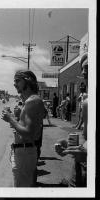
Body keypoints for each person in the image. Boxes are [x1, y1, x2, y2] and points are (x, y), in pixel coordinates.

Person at [1, 69, 45, 187]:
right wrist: (16, 118)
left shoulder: (32, 101)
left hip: (25, 153)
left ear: (27, 81)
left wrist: (10, 118)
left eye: (17, 80)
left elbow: (29, 133)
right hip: (23, 151)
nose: (14, 84)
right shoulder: (31, 101)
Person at [55, 52, 88, 187]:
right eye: (84, 68)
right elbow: (88, 137)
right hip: (80, 168)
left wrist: (88, 152)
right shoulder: (86, 101)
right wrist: (73, 144)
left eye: (89, 67)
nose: (84, 72)